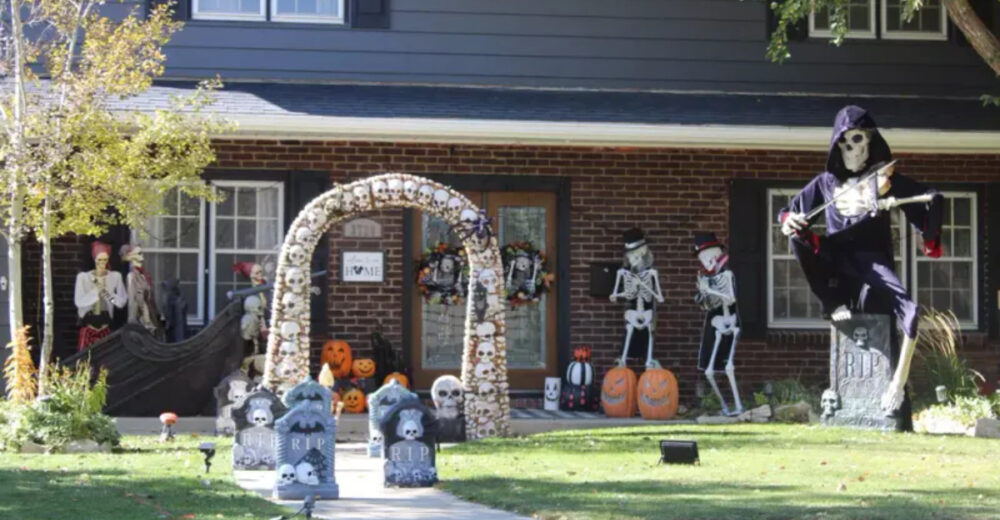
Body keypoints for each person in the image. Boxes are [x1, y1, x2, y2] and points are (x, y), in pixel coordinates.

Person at [778, 105, 943, 414]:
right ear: (835, 145)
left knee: (909, 311)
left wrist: (928, 232)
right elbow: (790, 211)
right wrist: (790, 220)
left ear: (870, 142)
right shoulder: (826, 183)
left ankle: (896, 386)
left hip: (872, 260)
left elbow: (931, 198)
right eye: (844, 142)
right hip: (836, 259)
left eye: (857, 140)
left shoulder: (884, 179)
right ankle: (831, 302)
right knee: (797, 236)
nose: (850, 149)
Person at [74, 241, 127, 351]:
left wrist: (107, 293)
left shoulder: (114, 277)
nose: (102, 263)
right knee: (85, 357)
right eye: (99, 260)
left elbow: (120, 303)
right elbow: (79, 301)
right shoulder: (84, 277)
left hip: (105, 326)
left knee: (105, 356)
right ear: (94, 259)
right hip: (89, 326)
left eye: (105, 260)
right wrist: (95, 291)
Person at [120, 244, 163, 339]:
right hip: (142, 321)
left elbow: (150, 299)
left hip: (151, 317)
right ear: (131, 256)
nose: (142, 255)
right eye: (139, 253)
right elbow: (133, 301)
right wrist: (133, 323)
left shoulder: (144, 275)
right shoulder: (132, 276)